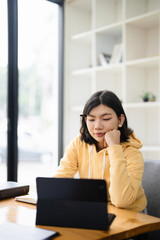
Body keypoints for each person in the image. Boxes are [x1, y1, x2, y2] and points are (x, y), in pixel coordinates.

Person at [54, 90, 147, 212]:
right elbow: (58, 183)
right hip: (94, 210)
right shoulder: (78, 144)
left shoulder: (132, 153)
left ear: (120, 120)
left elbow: (121, 201)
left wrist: (114, 148)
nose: (97, 126)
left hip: (130, 216)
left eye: (106, 118)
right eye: (91, 120)